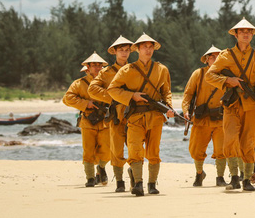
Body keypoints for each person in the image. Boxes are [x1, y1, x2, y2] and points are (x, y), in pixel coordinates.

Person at [205, 18, 255, 192]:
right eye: (242, 31)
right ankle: (234, 177)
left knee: (249, 142)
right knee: (229, 140)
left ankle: (247, 179)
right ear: (235, 34)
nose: (246, 34)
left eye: (249, 31)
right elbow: (210, 76)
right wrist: (229, 80)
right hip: (232, 104)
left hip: (251, 105)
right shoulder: (225, 56)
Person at [108, 33, 175, 196]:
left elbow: (166, 91)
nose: (148, 49)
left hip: (155, 116)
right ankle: (138, 183)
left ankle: (152, 184)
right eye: (144, 46)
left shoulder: (161, 69)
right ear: (137, 49)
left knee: (154, 151)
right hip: (135, 116)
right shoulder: (126, 70)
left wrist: (169, 108)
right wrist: (132, 96)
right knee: (134, 148)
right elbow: (112, 90)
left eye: (151, 46)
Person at [88, 35, 133, 192]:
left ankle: (135, 175)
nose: (124, 53)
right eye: (121, 50)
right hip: (115, 115)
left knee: (135, 147)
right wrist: (113, 96)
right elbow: (92, 89)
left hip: (133, 113)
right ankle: (120, 181)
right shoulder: (106, 72)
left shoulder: (135, 69)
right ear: (114, 52)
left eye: (127, 50)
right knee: (116, 148)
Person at [62, 52, 111, 187]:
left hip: (106, 121)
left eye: (99, 65)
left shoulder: (108, 82)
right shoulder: (79, 83)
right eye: (94, 65)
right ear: (88, 67)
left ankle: (100, 169)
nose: (97, 67)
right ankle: (90, 179)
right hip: (88, 120)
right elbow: (67, 99)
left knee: (107, 151)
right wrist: (86, 104)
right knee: (88, 150)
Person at [182, 45, 227, 187]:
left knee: (222, 150)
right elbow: (188, 94)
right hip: (202, 119)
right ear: (207, 60)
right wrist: (186, 110)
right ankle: (199, 173)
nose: (214, 59)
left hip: (221, 119)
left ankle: (220, 177)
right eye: (212, 57)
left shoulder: (227, 76)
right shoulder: (198, 74)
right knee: (196, 149)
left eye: (217, 56)